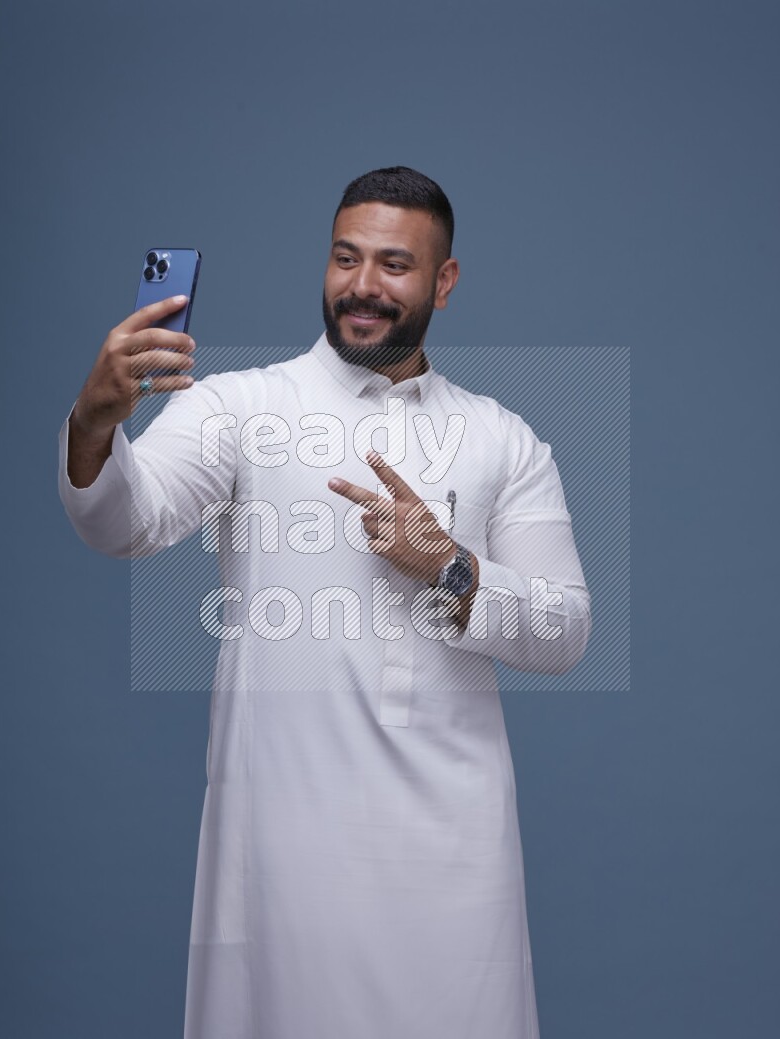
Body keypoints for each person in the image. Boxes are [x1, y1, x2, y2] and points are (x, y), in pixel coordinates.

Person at [59, 166, 591, 1039]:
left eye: (394, 265)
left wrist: (451, 566)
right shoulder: (239, 406)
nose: (363, 287)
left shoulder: (506, 438)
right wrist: (93, 423)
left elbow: (566, 628)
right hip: (281, 848)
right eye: (346, 259)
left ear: (444, 282)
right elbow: (127, 522)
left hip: (452, 856)